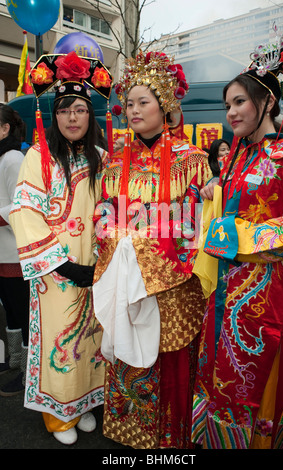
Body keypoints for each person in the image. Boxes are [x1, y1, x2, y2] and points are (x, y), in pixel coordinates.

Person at [92, 50, 212, 449]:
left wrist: (139, 242)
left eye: (144, 101)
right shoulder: (114, 163)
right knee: (130, 359)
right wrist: (118, 239)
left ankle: (171, 442)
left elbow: (195, 227)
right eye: (129, 103)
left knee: (171, 362)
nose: (134, 109)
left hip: (172, 289)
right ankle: (132, 436)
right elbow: (102, 218)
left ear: (165, 106)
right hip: (128, 285)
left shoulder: (192, 161)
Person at [192, 32, 283, 449]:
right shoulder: (238, 154)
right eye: (228, 104)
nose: (231, 112)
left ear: (268, 102)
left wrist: (244, 237)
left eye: (240, 102)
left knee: (258, 383)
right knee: (219, 374)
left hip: (268, 295)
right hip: (225, 291)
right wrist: (215, 194)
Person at [9, 51, 113, 445]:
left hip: (95, 268)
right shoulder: (39, 156)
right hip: (55, 272)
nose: (72, 117)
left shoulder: (102, 158)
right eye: (65, 109)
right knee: (59, 339)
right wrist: (63, 265)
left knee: (93, 338)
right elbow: (25, 213)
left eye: (80, 109)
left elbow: (113, 210)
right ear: (54, 115)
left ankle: (84, 404)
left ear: (90, 116)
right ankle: (57, 415)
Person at [0, 104, 30, 396]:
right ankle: (15, 361)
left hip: (14, 251)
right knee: (10, 311)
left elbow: (18, 203)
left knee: (22, 313)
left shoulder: (12, 158)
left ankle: (27, 374)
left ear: (5, 128)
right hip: (2, 250)